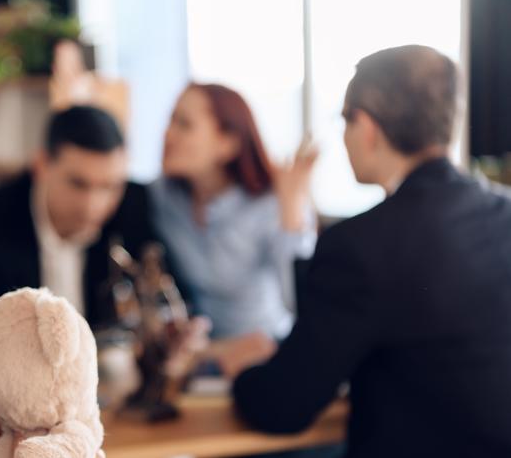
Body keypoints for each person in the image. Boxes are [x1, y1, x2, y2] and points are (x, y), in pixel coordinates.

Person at [231, 45, 511, 457]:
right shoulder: (504, 212)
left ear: (366, 126)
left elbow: (284, 405)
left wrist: (241, 374)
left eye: (343, 119)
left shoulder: (359, 246)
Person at [0, 105, 161, 372]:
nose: (93, 206)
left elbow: (166, 303)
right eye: (78, 184)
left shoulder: (134, 207)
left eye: (110, 186)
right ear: (41, 165)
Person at [149, 83, 317, 345]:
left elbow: (300, 302)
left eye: (184, 124)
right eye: (171, 120)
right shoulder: (163, 195)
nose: (168, 135)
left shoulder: (272, 204)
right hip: (198, 353)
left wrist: (292, 212)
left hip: (260, 349)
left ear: (227, 144)